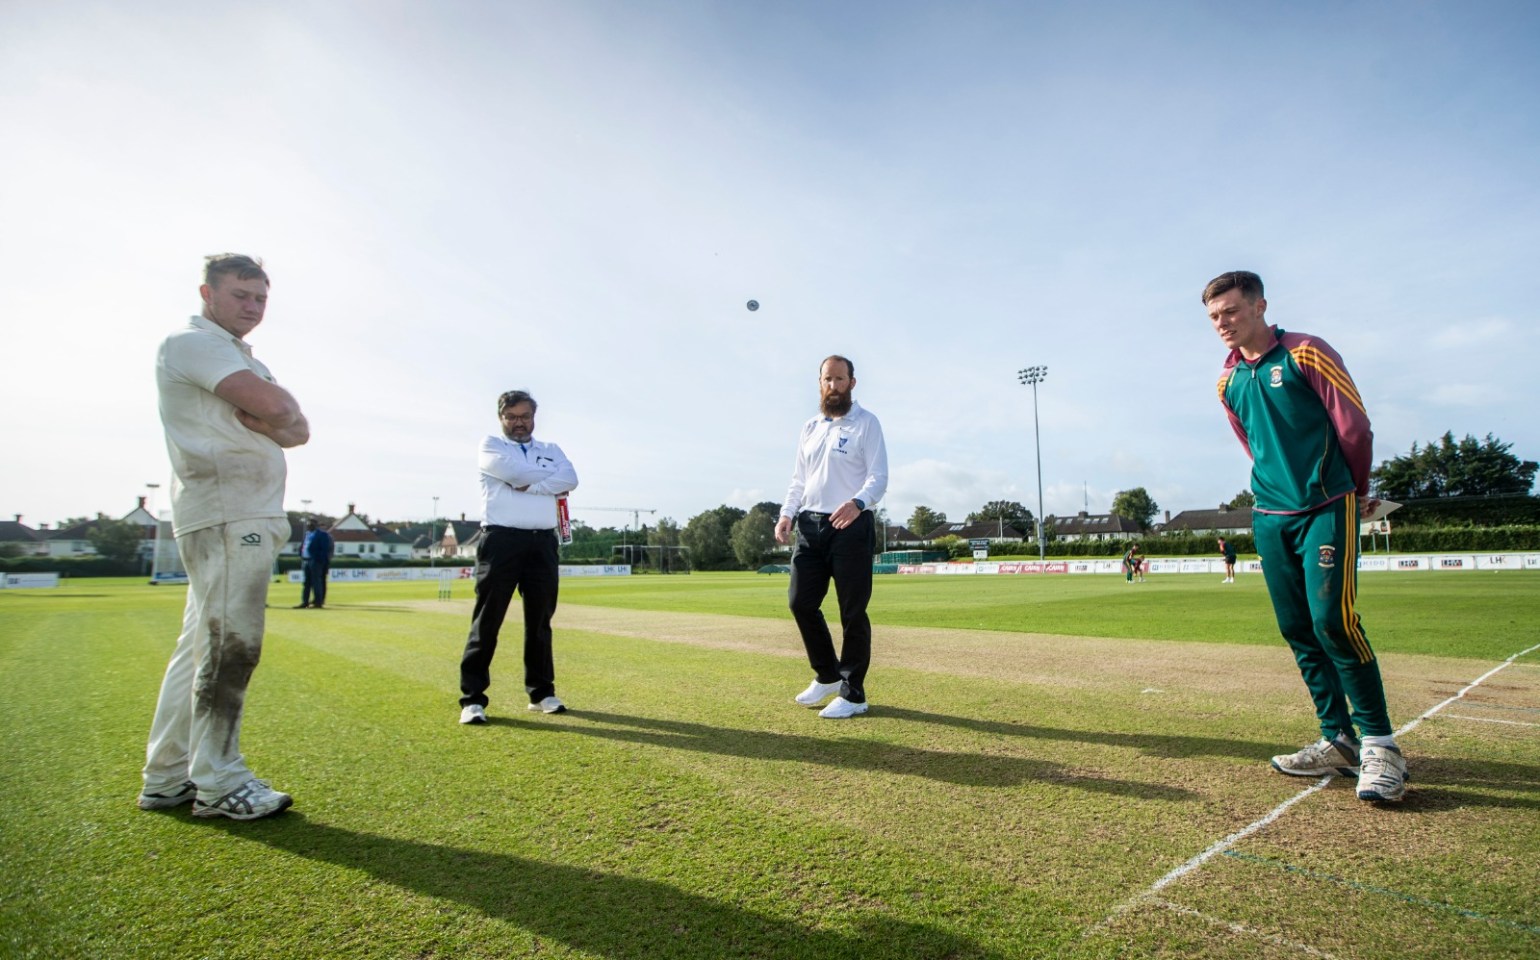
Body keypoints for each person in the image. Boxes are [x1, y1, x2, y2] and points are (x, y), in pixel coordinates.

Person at [1208, 269, 1407, 802]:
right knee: (1297, 628)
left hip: (1327, 503)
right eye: (1214, 316)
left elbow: (1354, 428)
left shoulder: (1306, 352)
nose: (1222, 323)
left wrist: (1355, 490)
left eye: (1231, 310)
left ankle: (1381, 746)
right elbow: (1252, 443)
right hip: (1269, 515)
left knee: (1332, 622)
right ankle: (1337, 738)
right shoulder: (1227, 381)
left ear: (1259, 306)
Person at [139, 254, 308, 820]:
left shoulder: (239, 355)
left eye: (260, 298)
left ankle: (167, 775)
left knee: (199, 646)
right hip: (229, 511)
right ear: (207, 293)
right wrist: (277, 417)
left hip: (236, 511)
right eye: (241, 295)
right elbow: (282, 409)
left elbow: (300, 431)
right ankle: (218, 779)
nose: (253, 307)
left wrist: (282, 420)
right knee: (232, 645)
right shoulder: (194, 342)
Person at [774, 355, 889, 719]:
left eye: (840, 379)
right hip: (809, 526)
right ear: (820, 382)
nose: (833, 386)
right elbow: (799, 480)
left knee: (852, 612)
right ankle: (827, 675)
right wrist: (787, 513)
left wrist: (858, 503)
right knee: (800, 602)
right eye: (828, 379)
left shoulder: (866, 423)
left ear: (852, 383)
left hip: (850, 525)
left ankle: (853, 694)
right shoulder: (810, 427)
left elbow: (879, 477)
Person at [458, 390, 578, 724]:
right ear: (501, 418)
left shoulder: (551, 450)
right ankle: (472, 699)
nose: (518, 423)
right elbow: (517, 476)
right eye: (511, 417)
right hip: (501, 541)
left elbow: (570, 479)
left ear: (533, 417)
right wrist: (547, 481)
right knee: (488, 620)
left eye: (524, 416)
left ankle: (541, 693)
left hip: (543, 542)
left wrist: (535, 485)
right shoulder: (491, 446)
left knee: (539, 622)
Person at [296, 518, 334, 608]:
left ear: (315, 525)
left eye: (311, 524)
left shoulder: (322, 535)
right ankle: (305, 602)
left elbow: (325, 549)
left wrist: (319, 559)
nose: (309, 526)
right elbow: (304, 545)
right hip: (306, 560)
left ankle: (318, 602)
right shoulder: (307, 534)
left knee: (316, 582)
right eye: (308, 524)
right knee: (307, 583)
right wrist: (301, 553)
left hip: (316, 561)